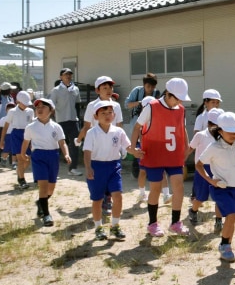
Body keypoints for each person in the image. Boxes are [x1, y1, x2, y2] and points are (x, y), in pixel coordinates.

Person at [131, 77, 191, 237]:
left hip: (174, 155)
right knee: (155, 189)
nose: (179, 102)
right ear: (168, 94)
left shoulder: (180, 109)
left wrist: (187, 147)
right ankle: (152, 224)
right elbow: (137, 127)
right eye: (178, 99)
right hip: (154, 154)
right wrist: (133, 148)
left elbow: (182, 128)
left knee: (179, 186)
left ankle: (176, 223)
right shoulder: (152, 106)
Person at [196, 112, 235, 262]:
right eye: (229, 131)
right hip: (221, 189)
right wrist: (211, 181)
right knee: (231, 216)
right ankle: (224, 245)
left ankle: (227, 246)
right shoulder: (213, 147)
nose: (233, 135)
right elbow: (198, 165)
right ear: (220, 131)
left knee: (233, 219)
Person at [83, 100, 137, 241]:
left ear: (114, 115)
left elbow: (128, 146)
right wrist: (88, 168)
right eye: (103, 113)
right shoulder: (92, 132)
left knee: (118, 196)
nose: (107, 115)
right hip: (97, 167)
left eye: (110, 113)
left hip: (114, 166)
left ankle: (115, 226)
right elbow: (87, 152)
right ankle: (98, 228)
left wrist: (136, 152)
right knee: (97, 200)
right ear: (95, 116)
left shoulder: (118, 131)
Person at [20, 98, 71, 227]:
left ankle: (41, 203)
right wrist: (22, 154)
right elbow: (26, 142)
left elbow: (62, 142)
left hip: (53, 156)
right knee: (43, 185)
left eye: (43, 107)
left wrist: (66, 154)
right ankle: (47, 215)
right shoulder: (31, 126)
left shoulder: (56, 127)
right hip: (38, 156)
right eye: (38, 108)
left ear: (51, 110)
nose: (40, 109)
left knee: (51, 188)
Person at [186, 107, 225, 232]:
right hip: (202, 168)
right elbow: (190, 148)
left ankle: (218, 222)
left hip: (218, 168)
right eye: (217, 125)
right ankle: (193, 210)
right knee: (201, 197)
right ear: (209, 123)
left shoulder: (223, 136)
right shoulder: (200, 135)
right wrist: (181, 161)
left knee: (219, 196)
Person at [49, 68, 83, 176]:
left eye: (70, 74)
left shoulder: (76, 89)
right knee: (56, 144)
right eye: (65, 74)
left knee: (75, 143)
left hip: (73, 120)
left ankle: (72, 168)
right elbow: (51, 105)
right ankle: (51, 165)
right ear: (61, 77)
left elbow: (77, 104)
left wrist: (78, 118)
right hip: (61, 121)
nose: (68, 76)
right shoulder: (55, 90)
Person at [0, 90, 34, 189]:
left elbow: (32, 125)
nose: (26, 105)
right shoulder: (12, 112)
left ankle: (19, 174)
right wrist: (2, 140)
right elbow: (6, 126)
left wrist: (33, 140)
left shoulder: (30, 111)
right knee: (20, 158)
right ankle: (22, 180)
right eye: (24, 103)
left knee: (27, 159)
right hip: (16, 135)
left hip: (27, 135)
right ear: (18, 102)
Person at [0, 82, 16, 166]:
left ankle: (10, 160)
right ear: (7, 90)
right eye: (10, 89)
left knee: (10, 141)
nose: (12, 90)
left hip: (9, 123)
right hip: (0, 123)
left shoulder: (11, 98)